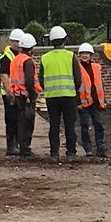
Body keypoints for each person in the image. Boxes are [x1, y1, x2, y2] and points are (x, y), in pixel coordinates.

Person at [40, 25, 79, 163]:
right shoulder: (71, 56)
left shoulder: (45, 58)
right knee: (69, 125)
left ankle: (54, 153)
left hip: (52, 97)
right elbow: (78, 78)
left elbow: (41, 79)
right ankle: (71, 153)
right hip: (69, 95)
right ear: (64, 40)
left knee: (54, 125)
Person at [7, 31, 42, 158]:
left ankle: (22, 148)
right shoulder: (27, 61)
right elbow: (29, 81)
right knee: (27, 124)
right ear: (31, 47)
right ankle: (25, 149)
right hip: (25, 96)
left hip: (17, 95)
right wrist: (32, 95)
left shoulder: (16, 59)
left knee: (21, 123)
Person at [75, 42, 107, 159]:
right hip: (83, 103)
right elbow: (75, 86)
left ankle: (100, 148)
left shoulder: (96, 67)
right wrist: (77, 102)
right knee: (84, 126)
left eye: (87, 53)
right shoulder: (77, 68)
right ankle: (88, 149)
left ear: (91, 55)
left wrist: (104, 100)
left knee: (99, 124)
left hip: (96, 102)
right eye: (82, 53)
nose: (85, 55)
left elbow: (100, 85)